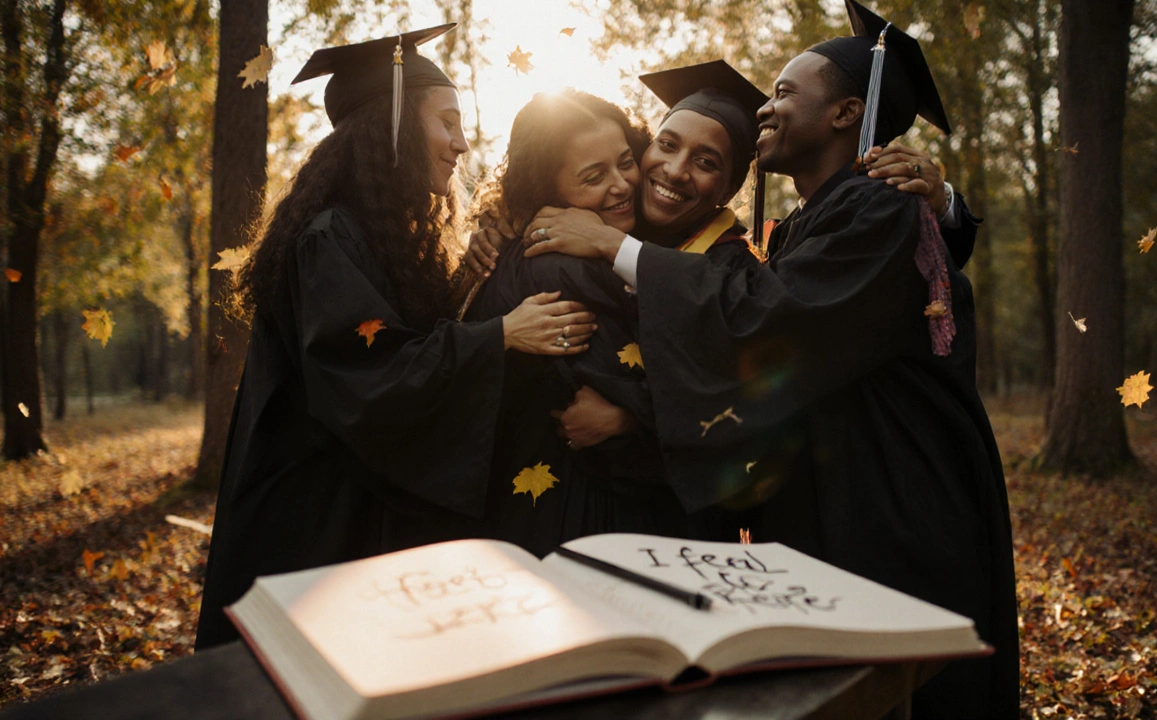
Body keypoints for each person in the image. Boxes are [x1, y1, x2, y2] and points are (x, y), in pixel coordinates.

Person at [515, 4, 1019, 717]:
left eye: (785, 92)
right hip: (842, 498)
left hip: (892, 502)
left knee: (890, 691)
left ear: (848, 112)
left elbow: (764, 319)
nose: (767, 109)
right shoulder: (831, 215)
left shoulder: (878, 207)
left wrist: (614, 253)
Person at [195, 26, 597, 649]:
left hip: (357, 502)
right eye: (447, 122)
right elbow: (370, 372)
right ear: (394, 126)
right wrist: (499, 337)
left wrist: (470, 276)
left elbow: (411, 335)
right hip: (315, 518)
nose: (462, 143)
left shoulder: (385, 237)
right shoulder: (329, 237)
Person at [461, 90, 688, 557]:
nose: (623, 184)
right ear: (548, 192)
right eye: (593, 177)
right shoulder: (559, 269)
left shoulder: (602, 248)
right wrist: (631, 416)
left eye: (626, 161)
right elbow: (645, 385)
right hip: (583, 517)